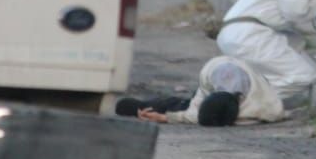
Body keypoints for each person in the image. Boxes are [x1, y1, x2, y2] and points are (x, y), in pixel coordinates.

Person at [121, 56, 285, 126]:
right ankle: (146, 105)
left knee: (180, 107)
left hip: (215, 100)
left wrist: (163, 117)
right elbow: (193, 114)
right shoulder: (213, 74)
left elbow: (193, 117)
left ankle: (144, 107)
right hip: (210, 90)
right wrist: (164, 117)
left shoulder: (261, 110)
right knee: (181, 104)